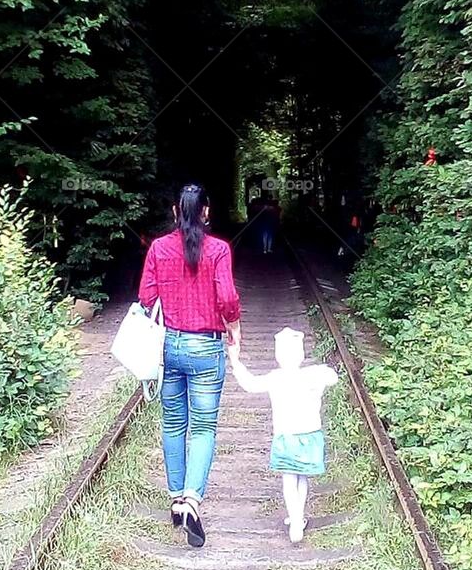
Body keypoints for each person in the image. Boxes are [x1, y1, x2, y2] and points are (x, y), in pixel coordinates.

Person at [138, 184, 241, 548]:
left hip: (168, 346)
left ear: (175, 211)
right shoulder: (219, 251)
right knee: (203, 428)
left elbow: (146, 297)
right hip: (205, 347)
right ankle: (193, 500)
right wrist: (234, 328)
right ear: (207, 213)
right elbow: (227, 298)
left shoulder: (158, 248)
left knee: (172, 424)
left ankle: (176, 499)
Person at [228, 327, 337, 543]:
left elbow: (250, 384)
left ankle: (295, 521)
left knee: (288, 479)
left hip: (286, 437)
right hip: (309, 436)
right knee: (302, 477)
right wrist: (321, 369)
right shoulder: (312, 376)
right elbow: (333, 377)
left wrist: (236, 364)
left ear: (278, 356)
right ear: (302, 355)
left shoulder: (275, 377)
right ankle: (300, 517)